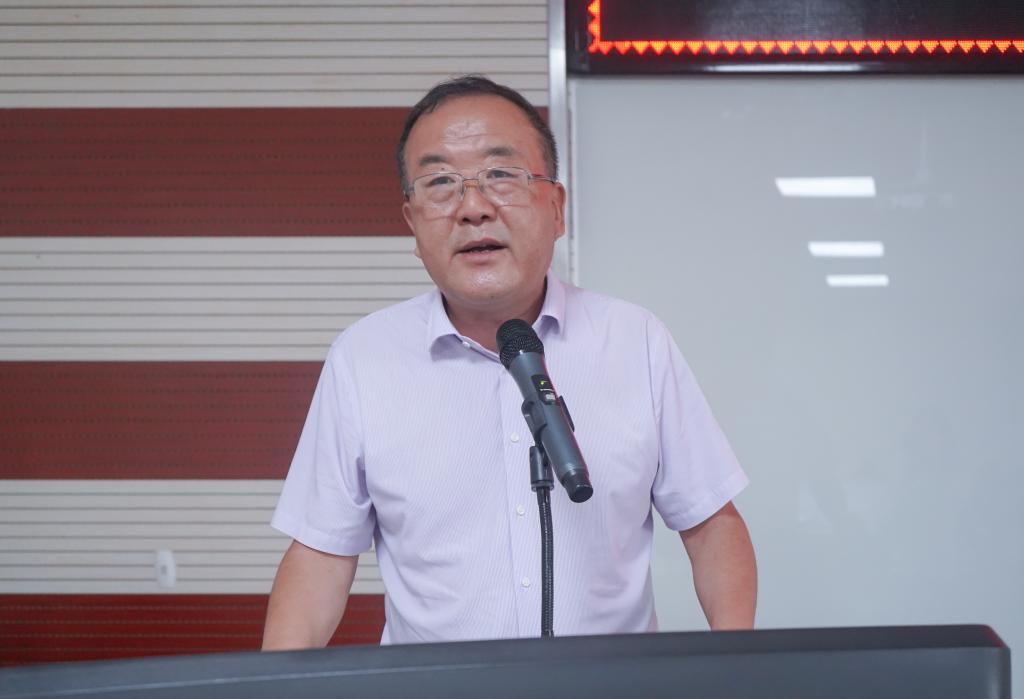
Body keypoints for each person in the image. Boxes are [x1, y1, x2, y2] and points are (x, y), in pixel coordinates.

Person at [262, 76, 756, 650]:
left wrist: (736, 671)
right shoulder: (363, 358)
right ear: (412, 225)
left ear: (557, 208)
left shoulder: (635, 341)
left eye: (501, 175)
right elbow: (321, 555)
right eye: (440, 183)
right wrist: (272, 683)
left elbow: (710, 525)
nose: (473, 208)